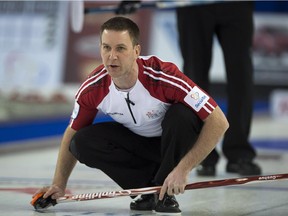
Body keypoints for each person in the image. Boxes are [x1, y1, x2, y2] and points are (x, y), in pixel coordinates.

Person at [32, 16, 229, 215]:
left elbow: (219, 121)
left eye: (120, 48)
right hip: (140, 145)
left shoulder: (163, 76)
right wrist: (58, 185)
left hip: (175, 145)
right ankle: (145, 189)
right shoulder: (93, 88)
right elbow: (72, 131)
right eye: (106, 48)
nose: (112, 56)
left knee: (182, 115)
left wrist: (183, 169)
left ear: (136, 51)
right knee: (80, 141)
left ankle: (165, 189)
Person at [176, 1, 261, 176]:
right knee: (194, 80)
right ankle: (203, 154)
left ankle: (239, 153)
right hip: (192, 5)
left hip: (236, 4)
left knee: (241, 76)